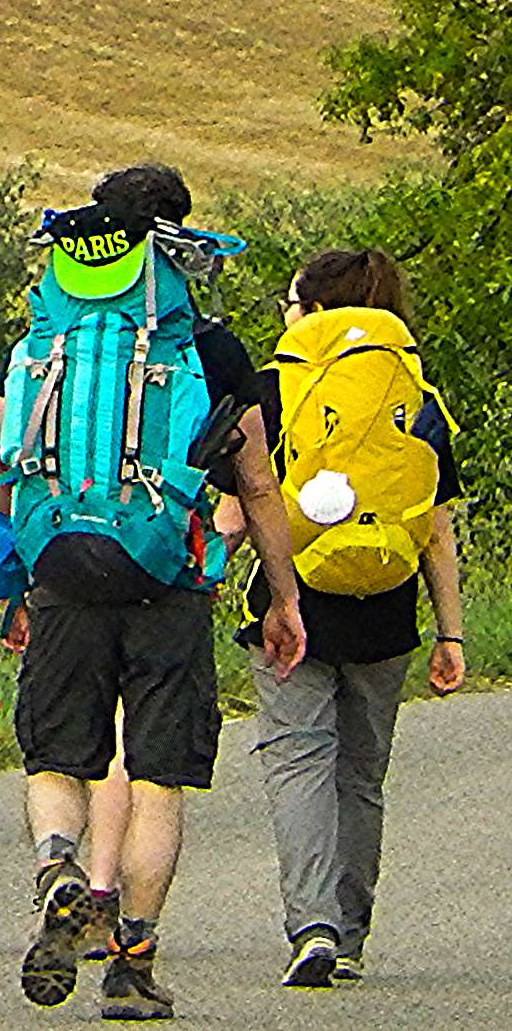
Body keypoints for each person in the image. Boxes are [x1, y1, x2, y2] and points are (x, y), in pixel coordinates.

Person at [0, 163, 305, 1023]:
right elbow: (259, 487)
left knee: (55, 758)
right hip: (170, 583)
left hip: (60, 581)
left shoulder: (43, 336)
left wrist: (40, 518)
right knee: (156, 780)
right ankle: (132, 966)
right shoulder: (207, 346)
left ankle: (58, 868)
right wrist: (282, 596)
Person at [245, 248, 467, 989]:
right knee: (361, 775)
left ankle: (310, 925)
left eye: (290, 301)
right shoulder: (415, 394)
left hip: (290, 604)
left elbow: (239, 501)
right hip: (387, 606)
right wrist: (450, 631)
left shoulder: (276, 387)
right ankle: (349, 932)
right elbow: (435, 524)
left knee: (297, 765)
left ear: (310, 310)